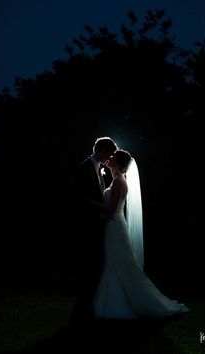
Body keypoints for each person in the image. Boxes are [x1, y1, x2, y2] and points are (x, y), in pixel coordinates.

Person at [89, 149, 190, 319]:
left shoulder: (120, 182)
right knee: (114, 262)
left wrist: (89, 202)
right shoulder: (117, 180)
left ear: (119, 163)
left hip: (114, 227)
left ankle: (121, 302)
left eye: (113, 157)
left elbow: (111, 209)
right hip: (113, 226)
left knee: (117, 263)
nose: (109, 158)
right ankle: (112, 300)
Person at [70, 136, 118, 321]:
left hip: (97, 225)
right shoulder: (84, 168)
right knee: (89, 267)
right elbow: (79, 198)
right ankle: (83, 308)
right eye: (109, 154)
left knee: (95, 267)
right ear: (100, 151)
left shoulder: (98, 167)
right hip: (87, 225)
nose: (110, 158)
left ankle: (89, 305)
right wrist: (100, 213)